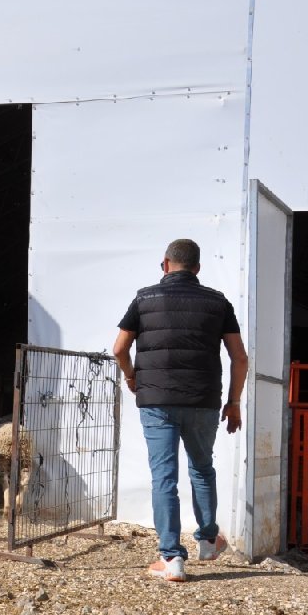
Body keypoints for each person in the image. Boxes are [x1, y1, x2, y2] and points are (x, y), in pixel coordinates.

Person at [112, 238, 249, 583]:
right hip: (203, 401)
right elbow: (240, 358)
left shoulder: (145, 299)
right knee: (202, 468)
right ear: (197, 268)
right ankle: (206, 539)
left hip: (157, 401)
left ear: (165, 264)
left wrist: (132, 377)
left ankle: (171, 558)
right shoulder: (218, 303)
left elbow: (118, 349)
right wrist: (234, 402)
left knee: (165, 477)